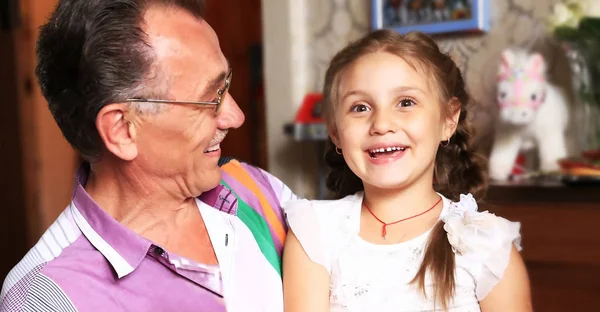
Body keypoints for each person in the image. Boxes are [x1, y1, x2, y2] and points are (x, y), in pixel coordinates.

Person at [0, 1, 296, 311]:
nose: (235, 117)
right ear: (122, 129)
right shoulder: (50, 298)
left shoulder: (257, 190)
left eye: (226, 85)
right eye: (211, 99)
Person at [282, 30, 532, 311]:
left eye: (405, 103)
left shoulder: (487, 246)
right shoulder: (315, 232)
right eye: (360, 107)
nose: (382, 124)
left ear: (448, 119)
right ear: (336, 133)